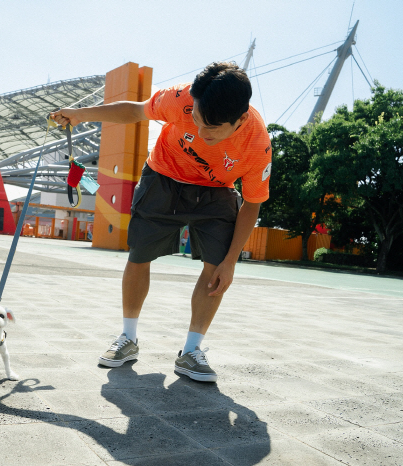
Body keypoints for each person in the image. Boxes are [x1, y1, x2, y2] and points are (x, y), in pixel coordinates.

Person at [51, 62, 271, 382]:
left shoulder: (257, 144)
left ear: (239, 120)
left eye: (211, 129)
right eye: (195, 120)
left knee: (217, 266)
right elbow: (136, 111)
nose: (200, 132)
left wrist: (231, 262)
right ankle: (128, 338)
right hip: (163, 176)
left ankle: (192, 351)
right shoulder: (179, 98)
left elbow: (252, 203)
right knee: (139, 255)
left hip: (216, 191)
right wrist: (81, 113)